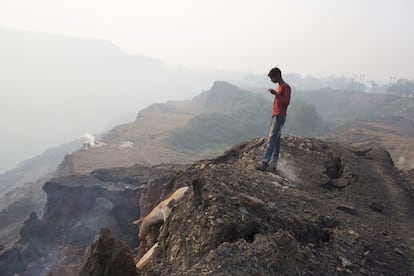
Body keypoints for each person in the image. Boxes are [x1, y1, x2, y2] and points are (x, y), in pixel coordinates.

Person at [256, 67, 291, 172]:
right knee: (276, 141)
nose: (271, 80)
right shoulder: (280, 87)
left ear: (277, 76)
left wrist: (276, 94)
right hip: (276, 115)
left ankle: (265, 163)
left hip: (279, 116)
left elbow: (286, 102)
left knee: (272, 139)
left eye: (272, 78)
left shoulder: (285, 87)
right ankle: (274, 164)